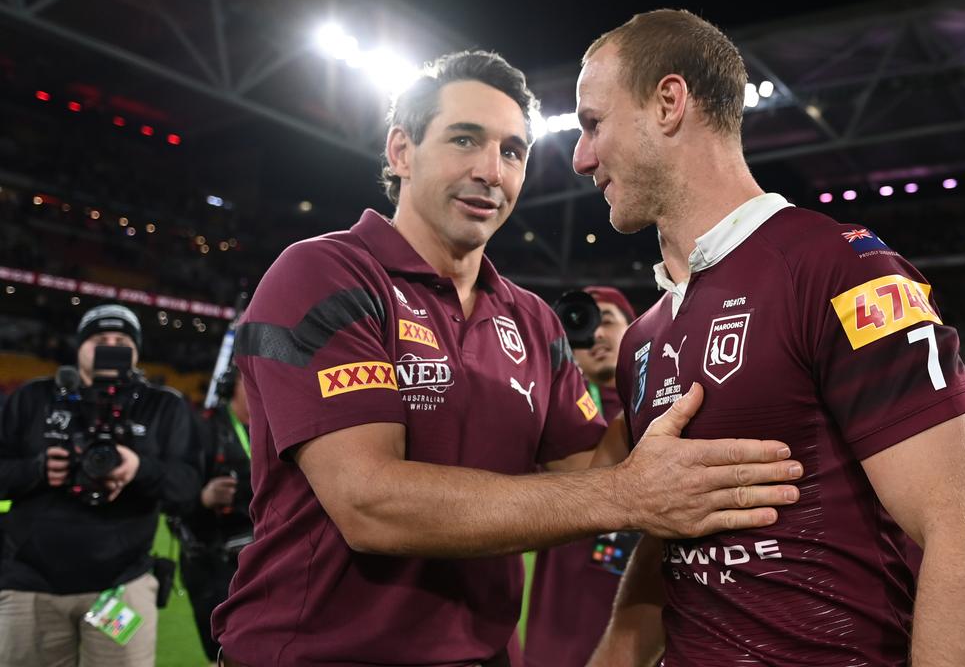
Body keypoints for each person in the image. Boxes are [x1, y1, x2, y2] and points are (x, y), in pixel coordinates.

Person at [211, 50, 803, 666]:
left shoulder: (531, 319)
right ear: (401, 152)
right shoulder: (325, 275)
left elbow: (589, 468)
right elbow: (369, 503)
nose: (491, 171)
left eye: (513, 151)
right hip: (316, 655)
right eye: (465, 139)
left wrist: (684, 365)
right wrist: (629, 496)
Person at [572, 9, 965, 666]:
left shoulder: (841, 268)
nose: (581, 158)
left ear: (668, 102)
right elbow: (669, 552)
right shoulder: (642, 340)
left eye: (592, 124)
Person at [0, 303, 201, 666]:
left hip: (121, 587)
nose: (111, 345)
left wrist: (139, 467)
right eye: (99, 338)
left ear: (137, 351)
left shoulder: (162, 407)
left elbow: (187, 489)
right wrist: (38, 469)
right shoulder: (34, 398)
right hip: (30, 585)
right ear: (79, 347)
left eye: (121, 339)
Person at [524, 286, 637, 667]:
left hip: (644, 615)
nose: (598, 336)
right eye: (584, 327)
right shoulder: (545, 410)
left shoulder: (668, 399)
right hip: (561, 624)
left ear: (635, 329)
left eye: (607, 320)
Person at [169, 368, 253, 664]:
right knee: (224, 652)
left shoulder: (275, 428)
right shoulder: (202, 429)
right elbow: (170, 496)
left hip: (262, 558)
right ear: (232, 385)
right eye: (250, 377)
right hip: (212, 563)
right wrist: (202, 497)